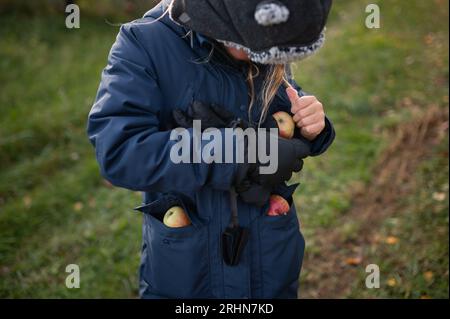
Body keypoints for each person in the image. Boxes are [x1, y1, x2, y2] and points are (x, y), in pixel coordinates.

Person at [87, 0, 335, 299]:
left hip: (268, 257)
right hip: (188, 269)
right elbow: (119, 151)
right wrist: (236, 152)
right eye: (250, 48)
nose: (259, 60)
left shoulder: (265, 48)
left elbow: (285, 103)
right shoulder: (145, 44)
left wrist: (312, 124)